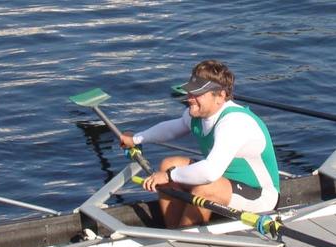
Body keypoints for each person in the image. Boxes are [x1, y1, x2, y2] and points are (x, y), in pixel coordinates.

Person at [119, 60, 280, 228]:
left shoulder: (234, 122)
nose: (190, 98)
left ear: (220, 96)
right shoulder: (197, 114)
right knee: (169, 164)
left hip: (260, 196)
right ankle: (174, 233)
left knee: (204, 187)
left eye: (198, 94)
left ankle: (186, 237)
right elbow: (171, 129)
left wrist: (168, 176)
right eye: (190, 92)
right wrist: (136, 139)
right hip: (225, 182)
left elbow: (210, 172)